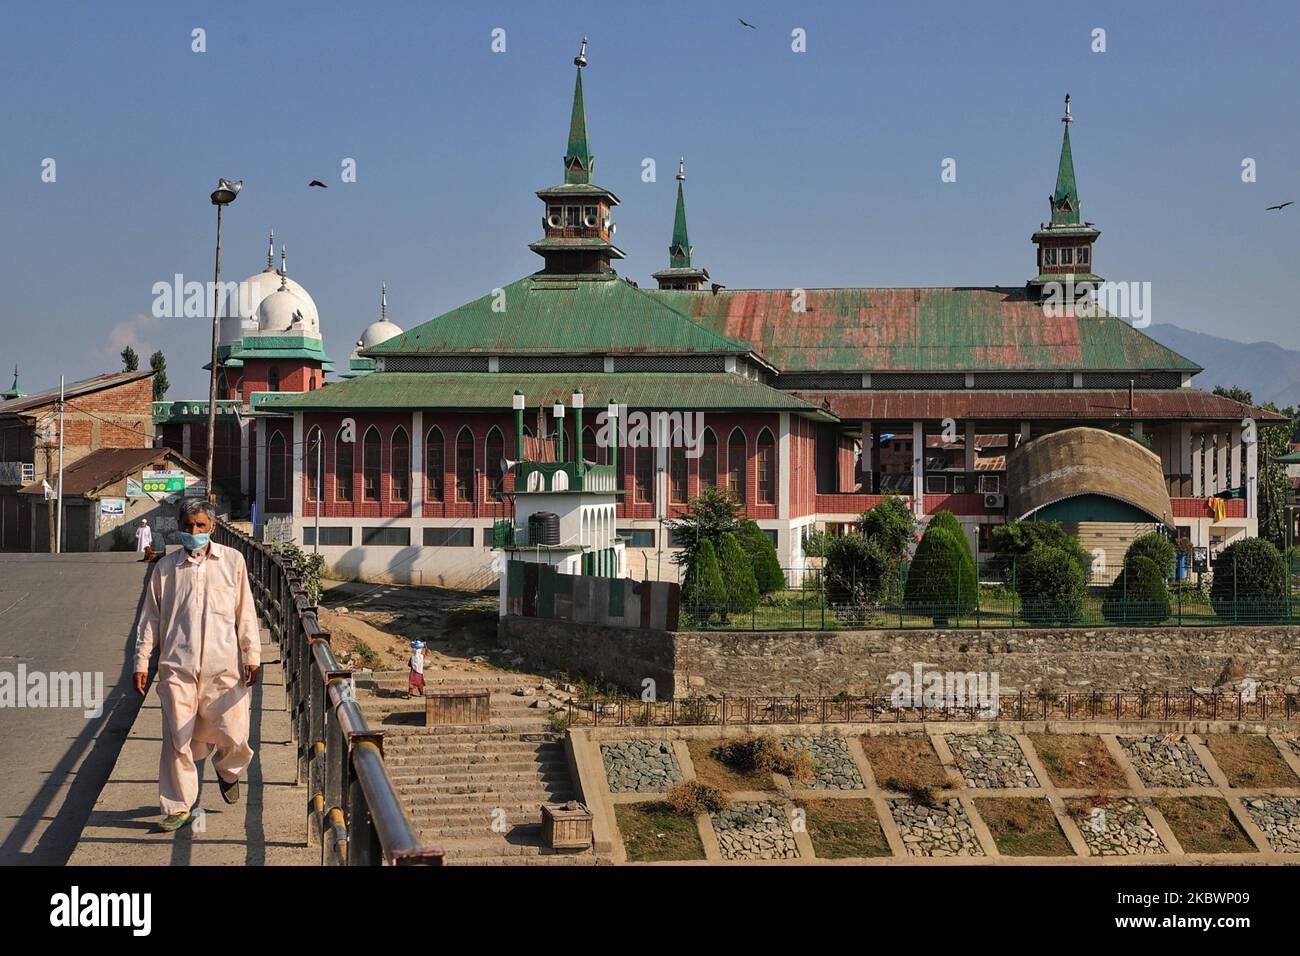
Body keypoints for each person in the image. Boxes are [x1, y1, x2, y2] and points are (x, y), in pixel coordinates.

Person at [133, 499, 261, 833]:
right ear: (180, 526)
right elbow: (150, 619)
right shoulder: (166, 568)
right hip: (177, 666)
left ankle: (228, 770)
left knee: (235, 734)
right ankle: (178, 805)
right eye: (189, 526)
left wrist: (252, 655)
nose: (194, 532)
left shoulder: (232, 561)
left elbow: (244, 612)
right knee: (178, 737)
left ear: (212, 527)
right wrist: (141, 661)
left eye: (201, 525)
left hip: (224, 666)